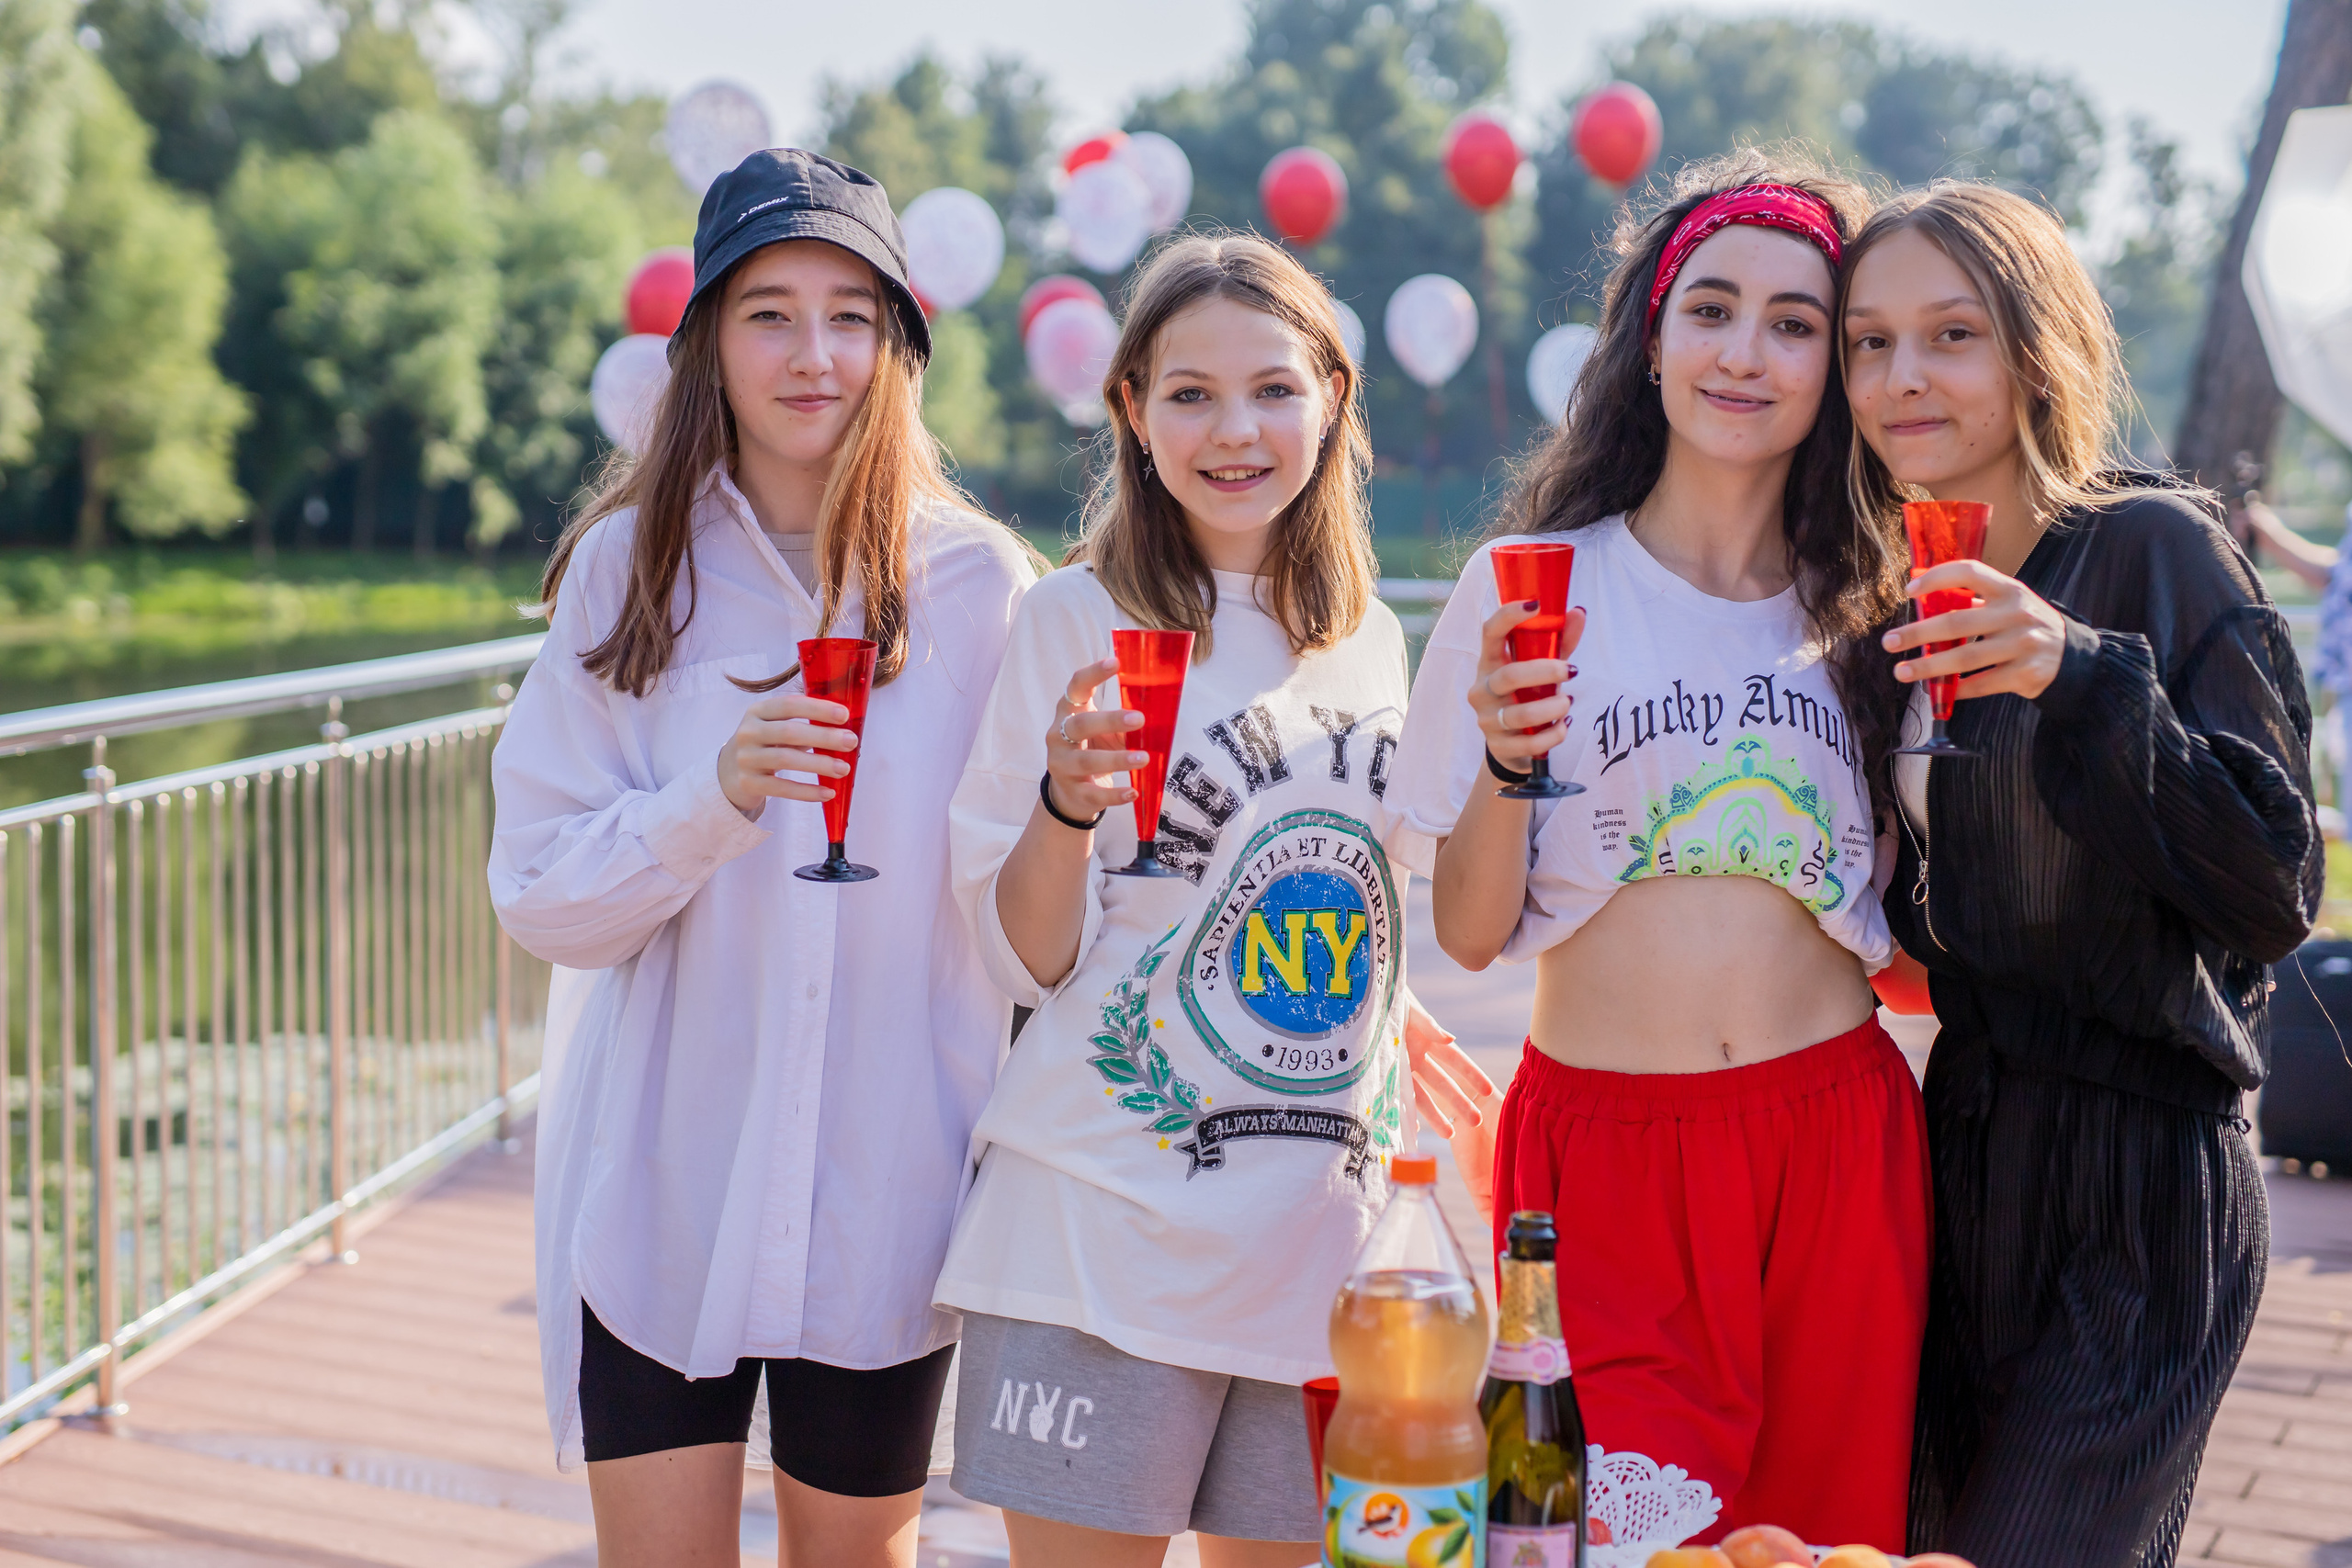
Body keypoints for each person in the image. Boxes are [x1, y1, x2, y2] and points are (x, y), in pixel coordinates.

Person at [488, 150, 1035, 1568]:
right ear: (707, 346)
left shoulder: (980, 588)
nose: (815, 354)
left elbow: (1037, 905)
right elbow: (541, 897)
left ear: (900, 346)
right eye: (768, 313)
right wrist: (710, 800)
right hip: (671, 1190)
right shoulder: (628, 574)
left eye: (853, 314)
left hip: (890, 1199)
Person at [1388, 149, 1929, 1555]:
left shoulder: (1879, 603)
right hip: (1602, 1167)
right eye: (1712, 308)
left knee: (1826, 1544)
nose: (1745, 352)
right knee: (1602, 1538)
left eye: (1796, 322)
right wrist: (1510, 756)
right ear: (1652, 332)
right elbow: (1463, 929)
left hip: (1840, 1154)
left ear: (1836, 363)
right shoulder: (1535, 585)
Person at [934, 231, 1487, 1568]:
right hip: (1101, 1222)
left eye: (1273, 389)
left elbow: (1326, 869)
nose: (1234, 430)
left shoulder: (1368, 631)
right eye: (1189, 393)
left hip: (1317, 1236)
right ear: (1130, 408)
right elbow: (1022, 957)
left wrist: (1394, 1011)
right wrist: (1067, 807)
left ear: (1335, 397)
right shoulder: (1072, 619)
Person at [1844, 181, 2322, 1568]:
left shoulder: (2154, 550)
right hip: (1962, 1157)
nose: (1903, 377)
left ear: (2035, 350)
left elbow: (2274, 879)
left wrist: (2077, 670)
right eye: (1870, 342)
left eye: (1952, 334)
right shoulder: (1890, 596)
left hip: (2146, 1178)